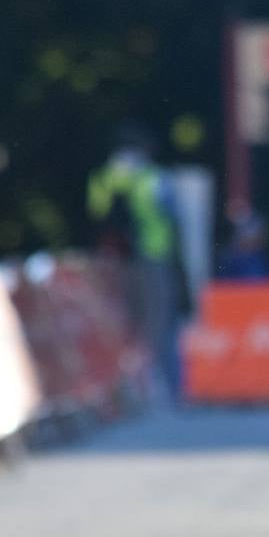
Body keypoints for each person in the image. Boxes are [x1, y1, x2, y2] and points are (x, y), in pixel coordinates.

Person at [87, 122, 189, 402]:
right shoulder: (154, 177)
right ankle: (163, 386)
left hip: (115, 261)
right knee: (159, 322)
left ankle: (131, 388)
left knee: (124, 323)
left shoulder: (103, 178)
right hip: (153, 256)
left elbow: (96, 217)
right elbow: (172, 219)